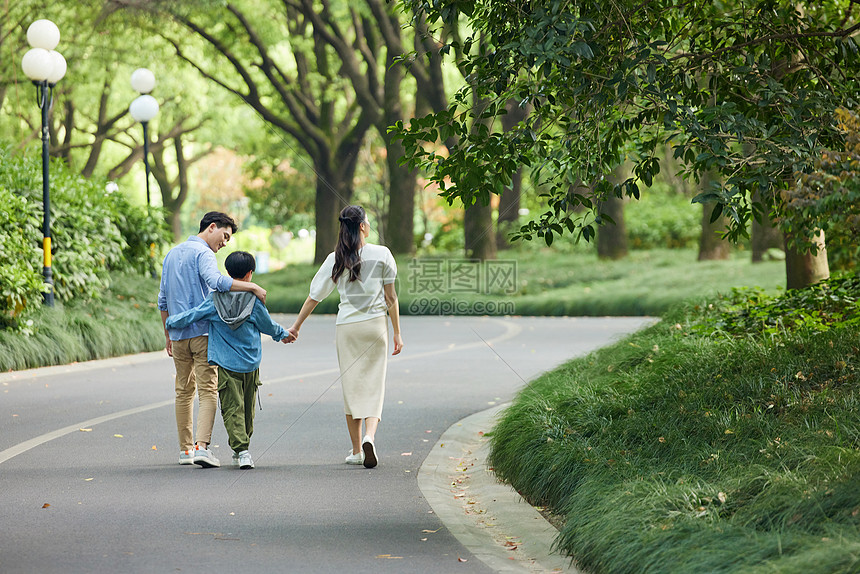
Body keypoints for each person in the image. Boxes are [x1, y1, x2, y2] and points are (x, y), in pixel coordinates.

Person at [288, 205, 403, 469]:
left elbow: (314, 296)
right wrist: (397, 332)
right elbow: (390, 298)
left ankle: (355, 450)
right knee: (375, 385)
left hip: (348, 327)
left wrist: (296, 326)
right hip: (376, 326)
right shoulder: (383, 253)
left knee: (352, 387)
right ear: (362, 226)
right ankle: (370, 437)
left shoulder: (336, 258)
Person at [158, 212, 267, 468]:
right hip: (204, 334)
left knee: (183, 392)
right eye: (225, 236)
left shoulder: (171, 254)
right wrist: (252, 287)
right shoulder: (203, 253)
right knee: (208, 391)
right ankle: (201, 448)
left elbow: (162, 300)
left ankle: (185, 450)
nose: (225, 243)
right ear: (212, 227)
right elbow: (217, 282)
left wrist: (167, 334)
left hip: (179, 335)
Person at [165, 251, 292, 470]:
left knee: (233, 408)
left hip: (225, 364)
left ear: (227, 273)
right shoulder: (254, 301)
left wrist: (171, 322)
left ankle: (240, 450)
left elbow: (194, 314)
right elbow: (268, 326)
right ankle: (242, 450)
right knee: (247, 409)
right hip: (251, 364)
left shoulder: (215, 300)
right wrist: (284, 335)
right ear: (250, 274)